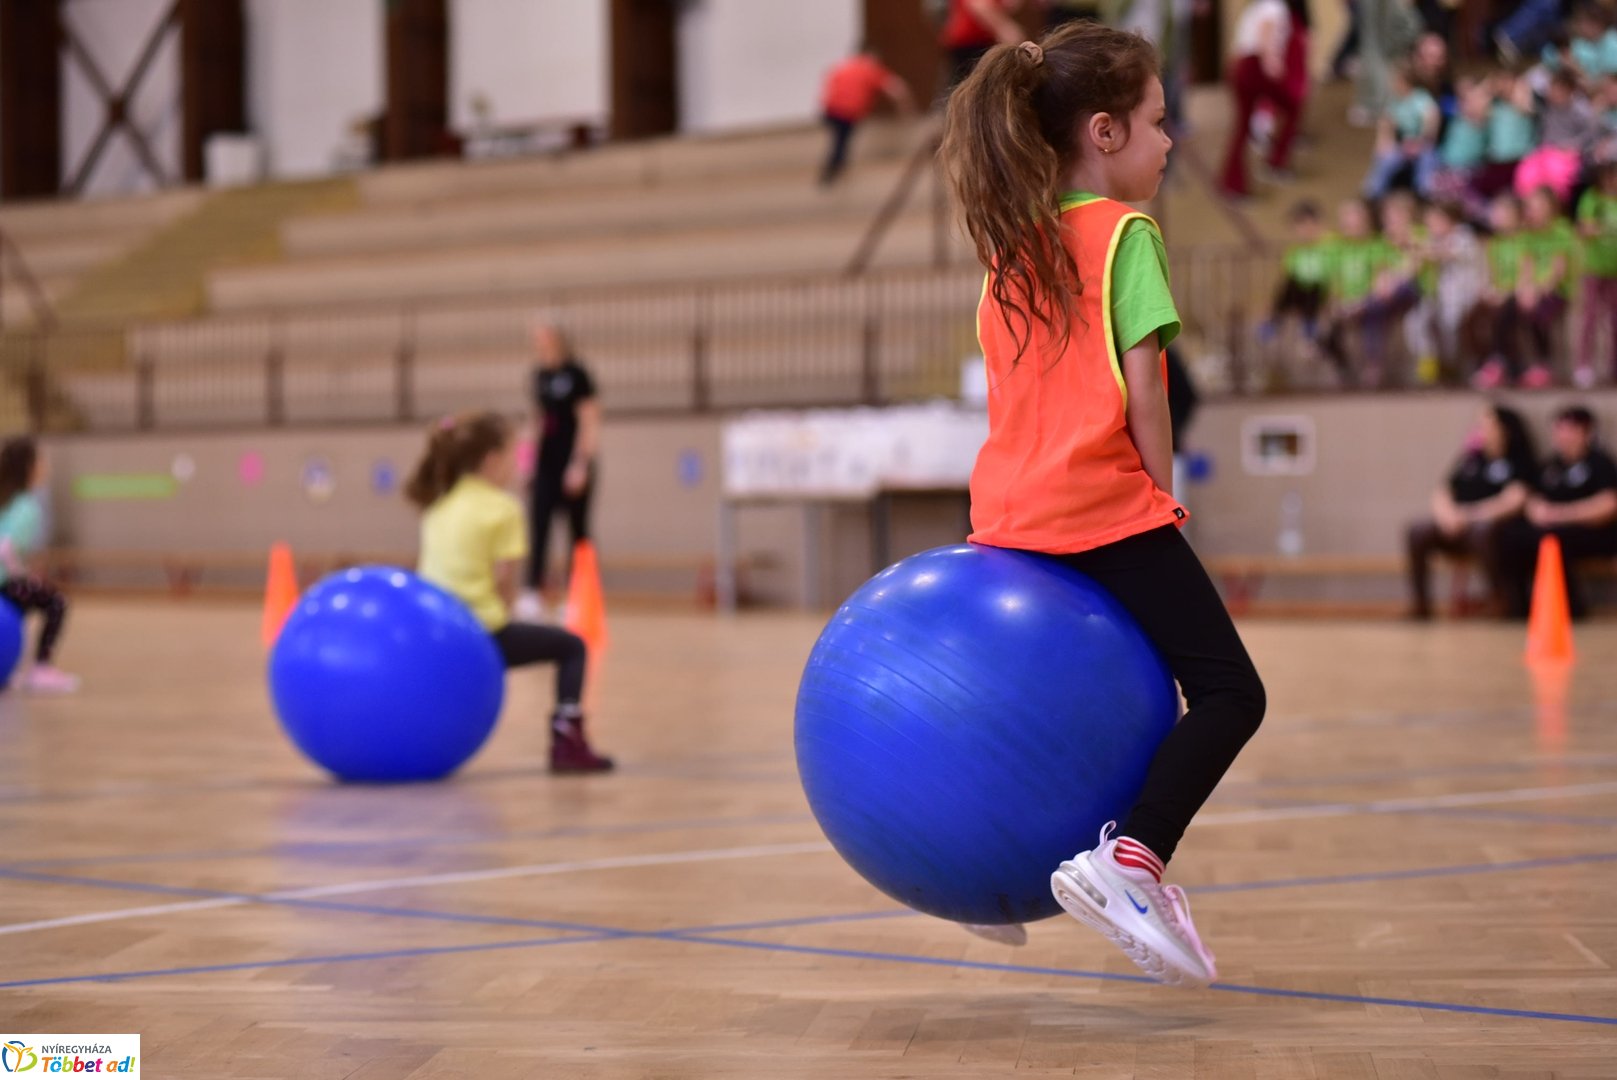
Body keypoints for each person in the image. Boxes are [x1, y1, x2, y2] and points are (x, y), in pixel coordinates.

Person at [940, 22, 1265, 986]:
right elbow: (1146, 386)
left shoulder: (1009, 251)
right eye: (1159, 123)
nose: (1171, 143)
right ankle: (1132, 863)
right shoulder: (1126, 234)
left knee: (1032, 708)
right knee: (1227, 694)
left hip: (1005, 520)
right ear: (1104, 132)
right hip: (1097, 507)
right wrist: (1160, 498)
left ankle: (983, 872)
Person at [409, 411, 613, 773]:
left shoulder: (437, 505)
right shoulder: (504, 509)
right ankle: (568, 743)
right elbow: (505, 588)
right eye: (514, 455)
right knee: (572, 647)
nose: (519, 465)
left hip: (433, 633)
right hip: (480, 631)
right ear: (492, 460)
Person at [1405, 405, 1536, 619]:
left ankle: (1500, 600)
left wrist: (1468, 516)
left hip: (1496, 531)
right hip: (1457, 527)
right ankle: (1421, 606)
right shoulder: (1471, 459)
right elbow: (1443, 491)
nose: (1481, 429)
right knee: (1418, 530)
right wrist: (1447, 515)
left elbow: (1514, 500)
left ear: (1504, 429)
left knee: (1483, 532)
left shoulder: (1519, 460)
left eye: (1487, 424)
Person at [1496, 406, 1617, 620]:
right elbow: (1533, 498)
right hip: (1552, 529)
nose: (1562, 435)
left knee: (1552, 539)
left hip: (1593, 532)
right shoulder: (1551, 466)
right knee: (1510, 536)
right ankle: (1519, 608)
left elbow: (1608, 504)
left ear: (1586, 432)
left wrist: (1562, 514)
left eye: (1569, 429)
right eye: (1558, 429)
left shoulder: (1600, 463)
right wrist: (1537, 511)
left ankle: (1570, 609)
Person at [518, 323, 601, 622]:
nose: (539, 345)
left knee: (578, 532)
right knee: (538, 525)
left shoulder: (578, 374)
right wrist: (526, 462)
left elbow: (589, 421)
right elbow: (535, 421)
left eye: (543, 339)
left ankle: (578, 594)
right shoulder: (538, 376)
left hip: (572, 461)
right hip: (546, 463)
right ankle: (532, 591)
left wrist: (580, 464)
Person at [0, 438, 77, 693]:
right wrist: (21, 575)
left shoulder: (8, 500)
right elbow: (6, 548)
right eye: (42, 460)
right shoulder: (26, 505)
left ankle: (8, 666)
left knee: (20, 607)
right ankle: (41, 668)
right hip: (4, 583)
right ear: (30, 467)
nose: (47, 466)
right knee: (56, 602)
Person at [1219, 0, 1301, 197]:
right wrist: (1271, 61)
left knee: (1243, 125)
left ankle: (1234, 180)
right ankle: (1274, 163)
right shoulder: (1273, 6)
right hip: (1253, 65)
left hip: (1243, 65)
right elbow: (1265, 32)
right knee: (1292, 107)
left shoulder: (1256, 7)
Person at [819, 46, 916, 186]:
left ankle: (835, 169)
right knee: (841, 141)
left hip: (831, 108)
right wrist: (907, 109)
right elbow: (897, 90)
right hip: (848, 110)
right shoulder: (870, 68)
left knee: (838, 139)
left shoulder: (845, 65)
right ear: (872, 56)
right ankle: (834, 170)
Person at [1576, 160, 1617, 386]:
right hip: (1594, 268)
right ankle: (1584, 365)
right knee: (1590, 317)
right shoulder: (1593, 198)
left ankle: (1613, 364)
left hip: (1615, 269)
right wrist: (1596, 228)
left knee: (1615, 319)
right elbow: (1585, 228)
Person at [939, 0, 1026, 91]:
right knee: (969, 87)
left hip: (980, 40)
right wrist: (1004, 28)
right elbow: (980, 5)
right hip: (969, 42)